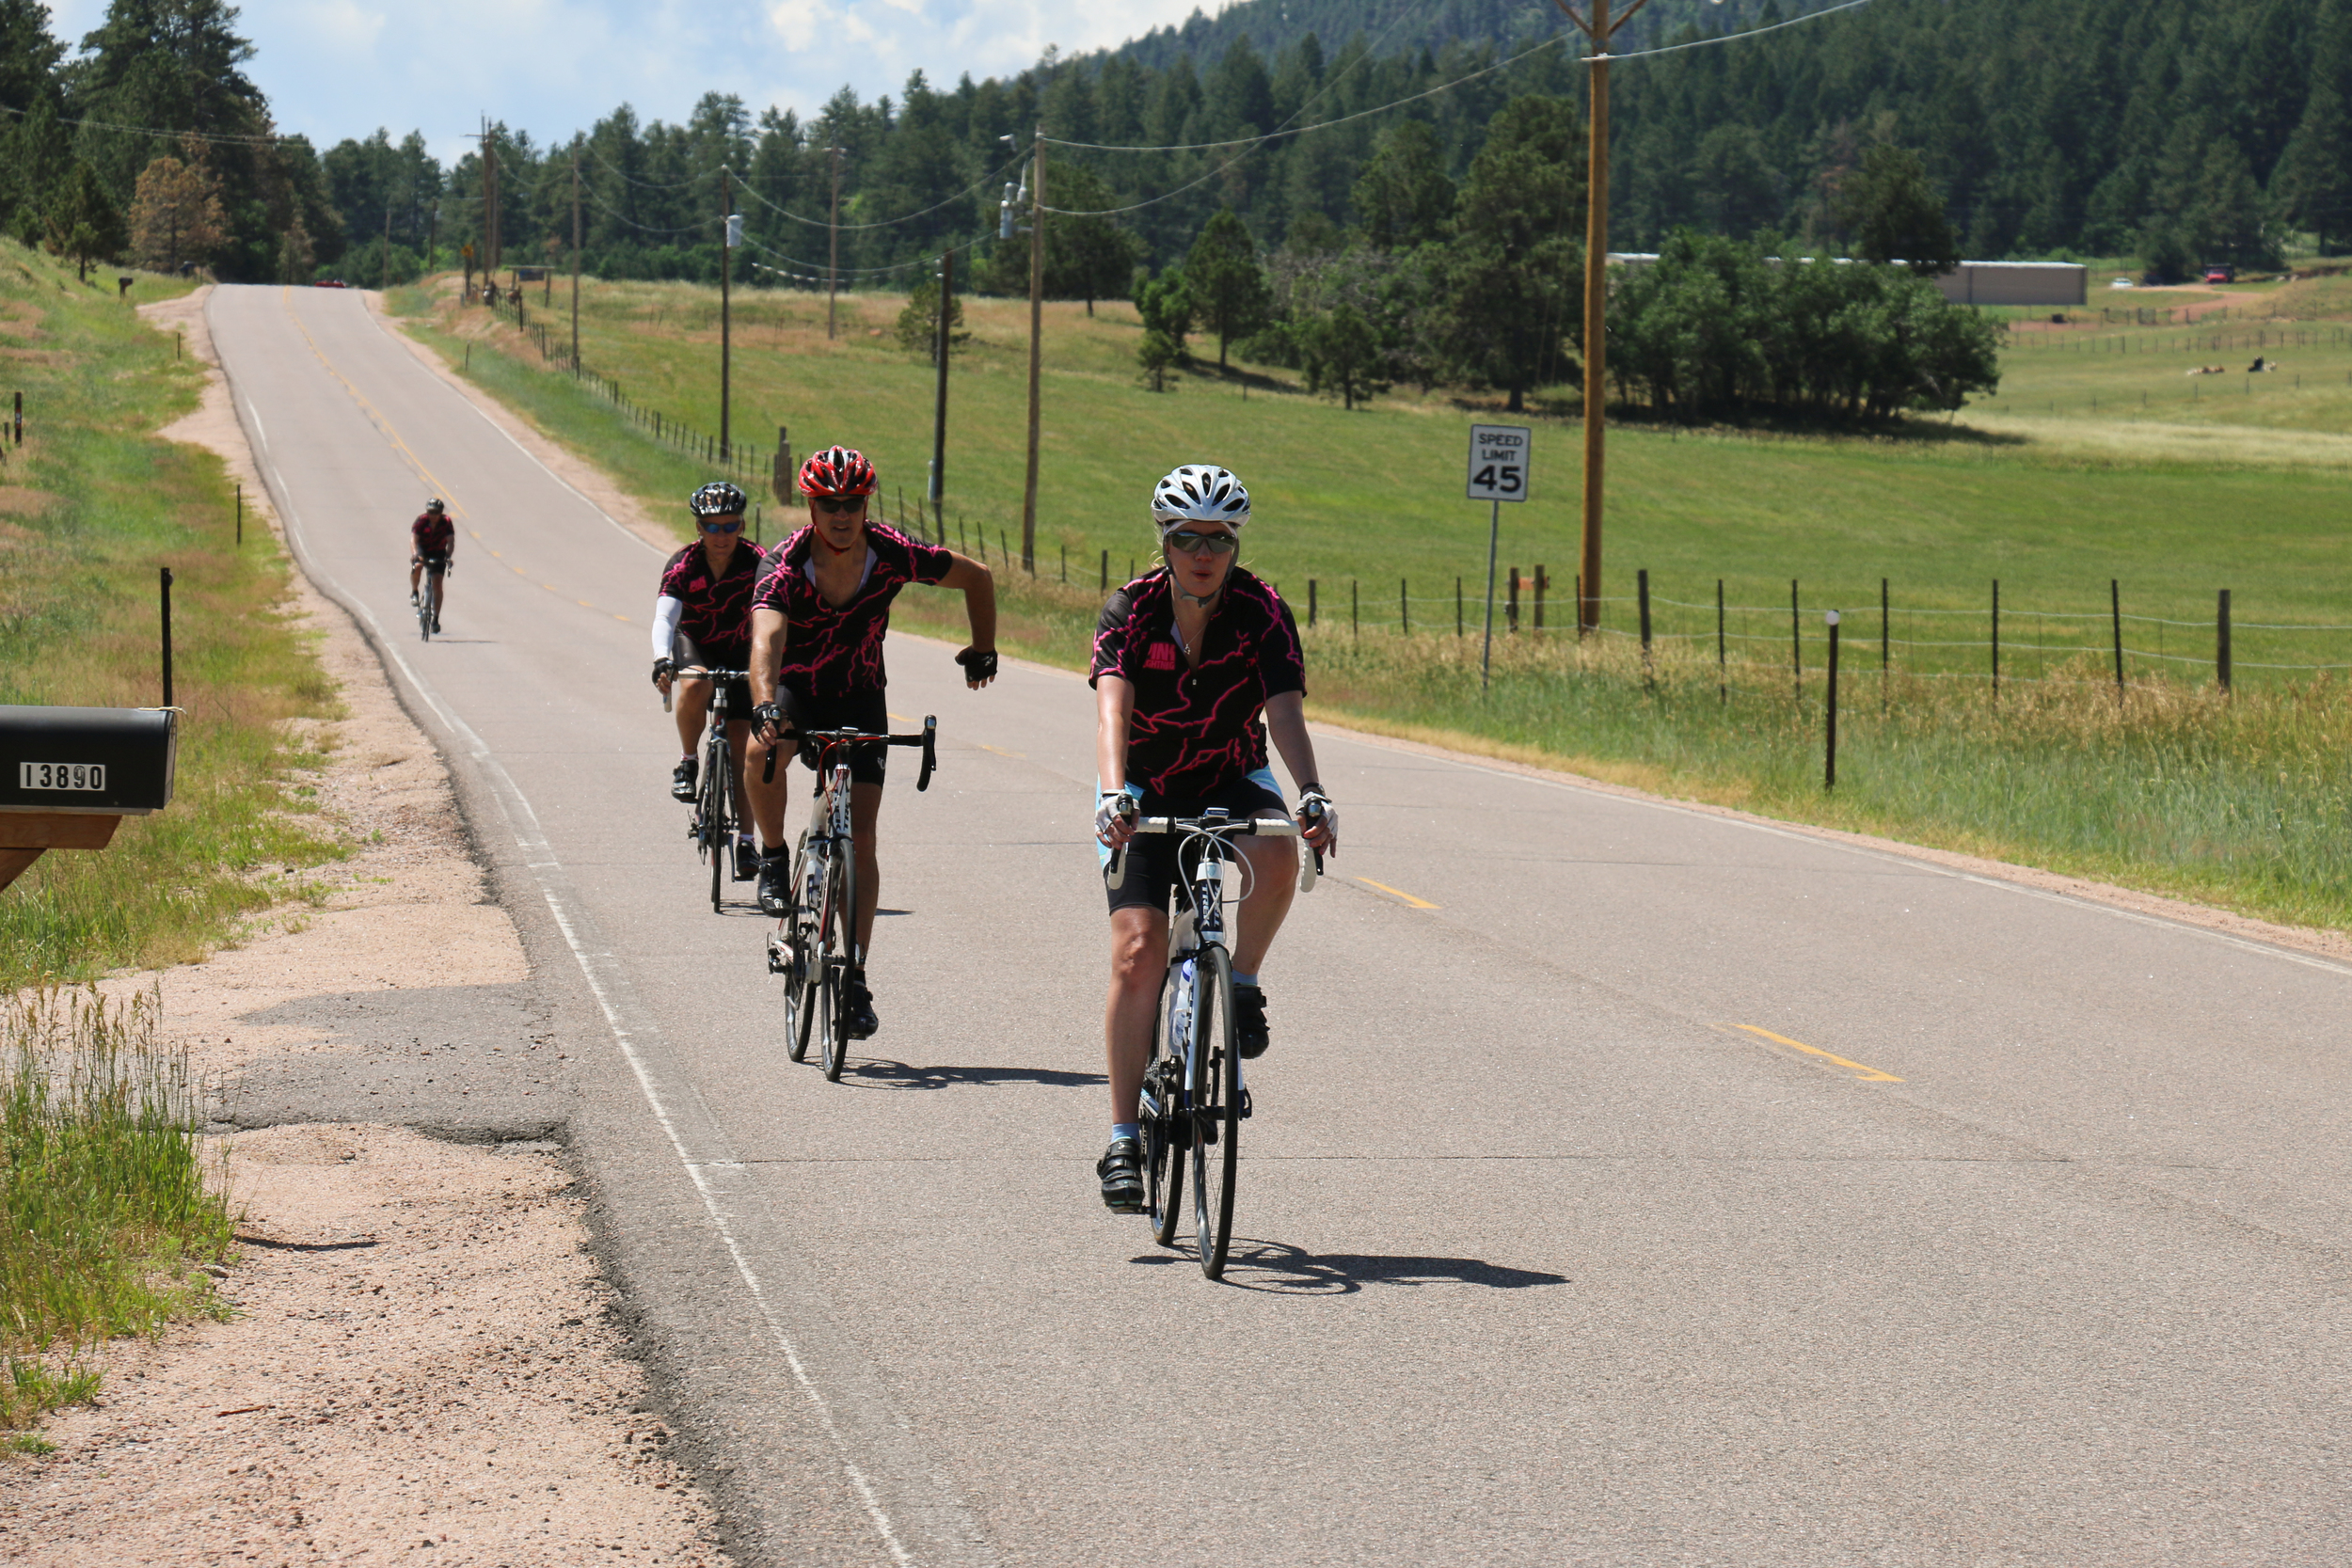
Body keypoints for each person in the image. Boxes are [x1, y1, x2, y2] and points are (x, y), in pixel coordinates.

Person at [1089, 464, 1338, 1213]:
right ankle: (1125, 1137)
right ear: (1165, 540)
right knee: (1139, 953)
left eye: (1219, 539)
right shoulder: (1128, 610)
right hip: (1144, 788)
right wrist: (1109, 795)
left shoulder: (1262, 611)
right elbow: (1112, 708)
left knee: (1278, 846)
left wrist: (1313, 790)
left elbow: (1284, 710)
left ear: (1235, 545)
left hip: (1231, 775)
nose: (1204, 551)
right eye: (1188, 536)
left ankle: (1244, 981)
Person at [744, 445, 998, 1038]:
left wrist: (983, 646)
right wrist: (763, 704)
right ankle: (776, 858)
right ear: (810, 504)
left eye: (852, 503)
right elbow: (766, 640)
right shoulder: (784, 563)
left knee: (861, 837)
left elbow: (977, 577)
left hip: (860, 695)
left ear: (866, 504)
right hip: (797, 693)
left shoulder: (891, 552)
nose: (841, 514)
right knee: (760, 753)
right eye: (829, 503)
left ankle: (854, 975)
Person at [651, 481, 768, 877]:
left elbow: (777, 612)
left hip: (741, 649)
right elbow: (666, 618)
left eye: (730, 526)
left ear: (742, 525)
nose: (722, 536)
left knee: (743, 748)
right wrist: (662, 659)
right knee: (695, 681)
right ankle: (688, 762)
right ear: (699, 528)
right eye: (712, 527)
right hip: (696, 641)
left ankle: (748, 843)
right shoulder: (683, 564)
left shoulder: (758, 562)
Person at [409, 499, 455, 632]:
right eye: (431, 512)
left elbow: (451, 541)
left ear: (441, 513)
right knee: (417, 566)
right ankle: (414, 592)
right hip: (423, 549)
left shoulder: (446, 522)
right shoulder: (421, 520)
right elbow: (414, 539)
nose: (433, 515)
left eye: (436, 512)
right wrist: (415, 554)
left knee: (437, 583)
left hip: (438, 551)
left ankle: (435, 618)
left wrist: (448, 556)